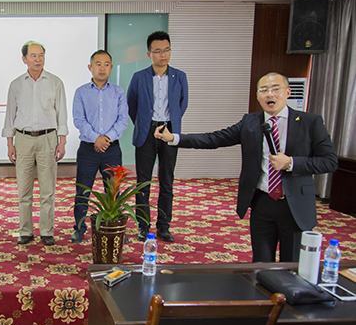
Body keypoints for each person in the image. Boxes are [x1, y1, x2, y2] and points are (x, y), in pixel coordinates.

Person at [155, 72, 338, 262]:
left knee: (291, 265)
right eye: (264, 90)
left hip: (294, 205)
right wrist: (174, 138)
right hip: (262, 202)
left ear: (287, 92)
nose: (269, 94)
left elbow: (329, 161)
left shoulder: (310, 122)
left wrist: (291, 163)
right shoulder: (250, 122)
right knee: (260, 262)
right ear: (258, 96)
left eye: (275, 89)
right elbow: (214, 139)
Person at [2, 40, 68, 246]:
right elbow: (10, 116)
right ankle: (25, 231)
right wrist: (10, 144)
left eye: (41, 55)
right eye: (33, 55)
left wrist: (62, 141)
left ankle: (47, 231)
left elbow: (61, 114)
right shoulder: (16, 84)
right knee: (24, 190)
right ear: (24, 59)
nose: (38, 59)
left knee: (48, 190)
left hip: (48, 138)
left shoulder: (55, 82)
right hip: (22, 139)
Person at [128, 31, 188, 243]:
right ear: (149, 54)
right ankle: (143, 225)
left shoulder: (179, 76)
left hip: (169, 133)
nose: (163, 55)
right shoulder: (139, 77)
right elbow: (132, 105)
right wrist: (145, 124)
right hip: (146, 133)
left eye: (166, 50)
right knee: (143, 182)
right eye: (158, 51)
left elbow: (182, 104)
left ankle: (163, 225)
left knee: (167, 180)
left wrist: (170, 127)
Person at [71, 50, 129, 243]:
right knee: (83, 190)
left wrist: (106, 139)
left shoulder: (119, 92)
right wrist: (96, 138)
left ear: (111, 67)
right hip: (88, 149)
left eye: (106, 64)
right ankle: (79, 228)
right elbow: (79, 120)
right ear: (90, 67)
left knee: (113, 191)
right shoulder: (81, 92)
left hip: (112, 149)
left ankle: (115, 227)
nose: (102, 68)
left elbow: (123, 120)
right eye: (98, 64)